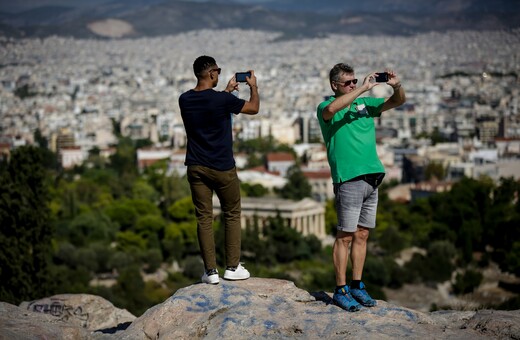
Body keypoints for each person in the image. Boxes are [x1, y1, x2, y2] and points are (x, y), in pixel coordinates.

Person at [316, 63, 405, 311]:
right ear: (335, 85)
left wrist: (396, 86)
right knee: (344, 236)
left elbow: (397, 102)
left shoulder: (363, 106)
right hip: (349, 178)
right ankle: (340, 289)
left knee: (362, 234)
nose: (353, 85)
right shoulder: (325, 107)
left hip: (372, 177)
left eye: (355, 81)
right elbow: (332, 108)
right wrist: (365, 88)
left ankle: (357, 284)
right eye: (348, 83)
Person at [179, 55, 260, 284]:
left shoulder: (184, 99)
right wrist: (253, 87)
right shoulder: (222, 100)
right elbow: (253, 108)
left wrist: (226, 93)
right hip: (222, 166)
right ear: (212, 73)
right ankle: (232, 267)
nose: (220, 74)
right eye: (218, 70)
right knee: (232, 213)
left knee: (204, 218)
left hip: (195, 166)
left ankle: (210, 272)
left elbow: (209, 106)